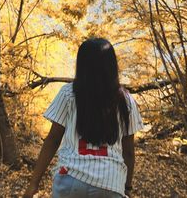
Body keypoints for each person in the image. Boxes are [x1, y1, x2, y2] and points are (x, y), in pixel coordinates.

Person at [23, 38, 144, 198]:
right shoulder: (126, 100)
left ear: (81, 65)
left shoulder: (68, 94)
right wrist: (127, 187)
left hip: (71, 177)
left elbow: (53, 140)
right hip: (110, 183)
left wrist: (33, 184)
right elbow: (128, 152)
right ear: (112, 66)